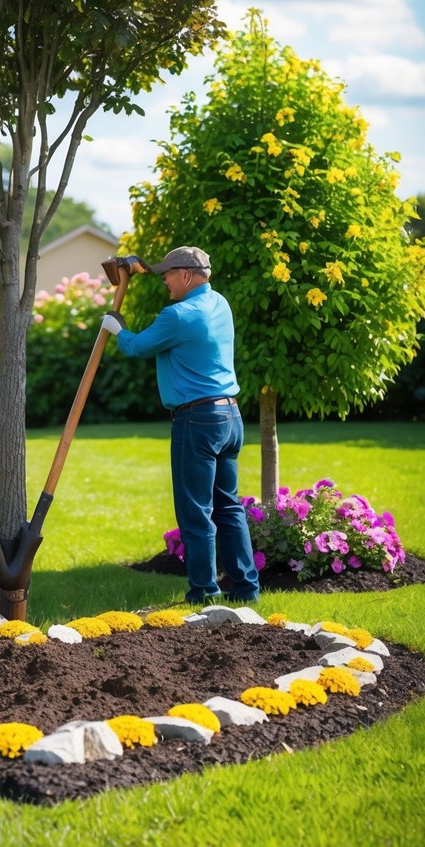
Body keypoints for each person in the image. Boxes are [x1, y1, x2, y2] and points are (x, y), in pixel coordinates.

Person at [101, 246, 260, 605]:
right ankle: (246, 588)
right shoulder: (220, 303)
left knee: (196, 511)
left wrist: (118, 329)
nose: (164, 281)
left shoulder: (179, 315)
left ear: (186, 275)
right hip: (230, 417)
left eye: (167, 275)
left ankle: (204, 591)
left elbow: (138, 348)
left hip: (197, 420)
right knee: (228, 506)